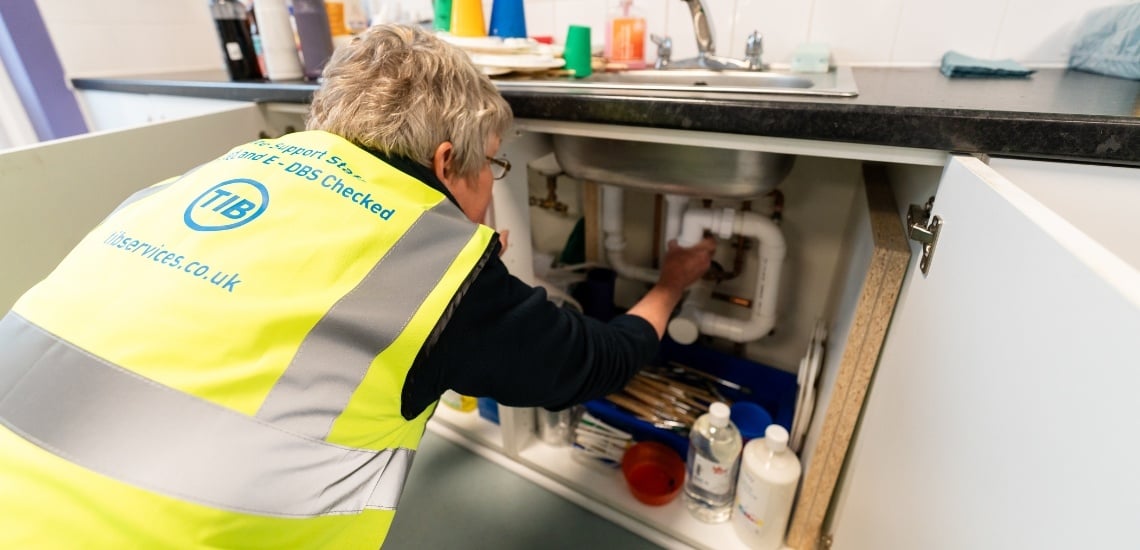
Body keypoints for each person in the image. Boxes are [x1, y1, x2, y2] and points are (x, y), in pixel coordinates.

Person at [0, 23, 716, 548]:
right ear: (446, 162)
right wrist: (674, 281)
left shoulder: (207, 176)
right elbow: (594, 362)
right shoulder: (434, 266)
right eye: (490, 170)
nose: (489, 190)